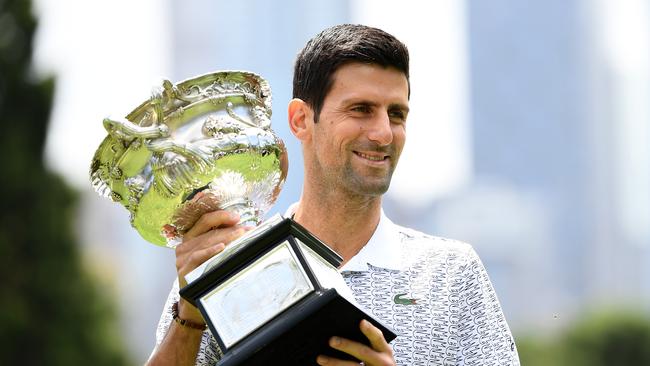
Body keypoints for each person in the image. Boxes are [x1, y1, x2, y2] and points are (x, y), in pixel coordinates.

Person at [147, 24, 520, 366]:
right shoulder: (229, 262)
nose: (383, 133)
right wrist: (190, 315)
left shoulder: (450, 273)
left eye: (396, 114)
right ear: (300, 120)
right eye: (361, 109)